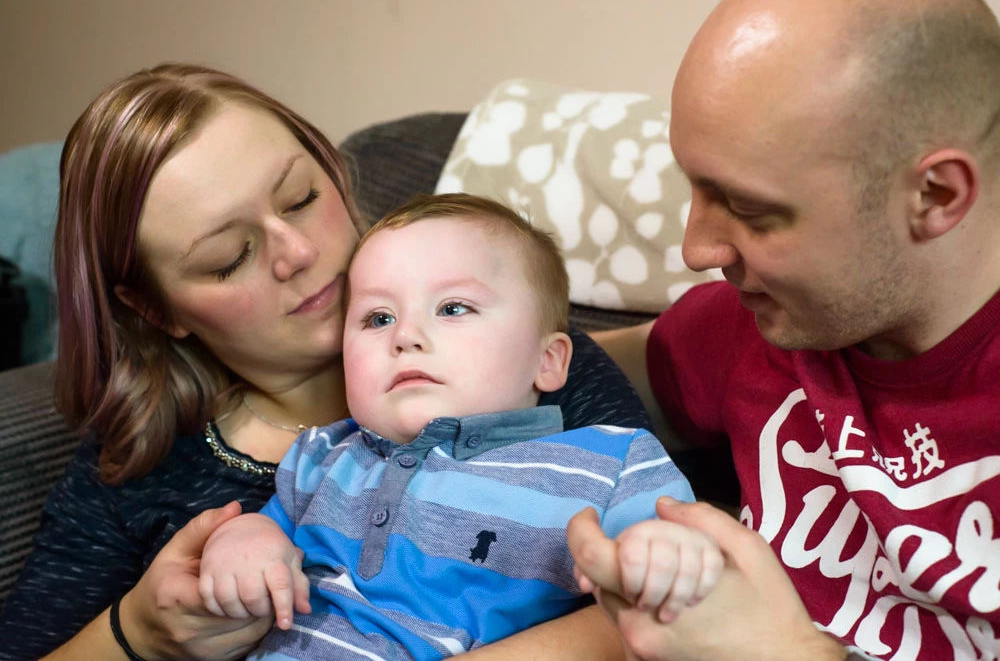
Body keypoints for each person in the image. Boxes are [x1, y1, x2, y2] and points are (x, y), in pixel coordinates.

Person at [0, 64, 653, 661]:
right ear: (155, 308)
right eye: (230, 256)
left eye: (300, 198)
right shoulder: (136, 471)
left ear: (332, 170)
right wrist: (135, 631)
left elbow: (668, 597)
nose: (296, 252)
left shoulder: (511, 356)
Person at [568, 0, 1000, 659]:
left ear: (936, 195)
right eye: (695, 188)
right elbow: (538, 362)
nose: (697, 248)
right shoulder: (764, 322)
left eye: (748, 207)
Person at [197, 194, 717, 659]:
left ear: (549, 361)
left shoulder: (608, 463)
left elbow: (682, 559)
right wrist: (244, 540)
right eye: (377, 318)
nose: (405, 336)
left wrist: (666, 553)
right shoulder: (322, 457)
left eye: (452, 308)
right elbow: (267, 532)